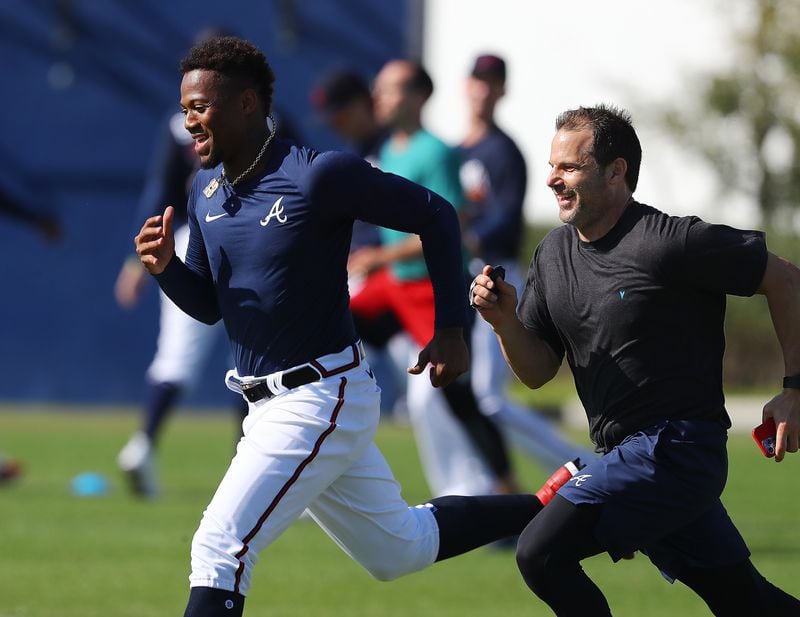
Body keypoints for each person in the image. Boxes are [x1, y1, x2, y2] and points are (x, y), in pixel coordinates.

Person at [133, 36, 582, 617]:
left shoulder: (317, 175)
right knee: (398, 549)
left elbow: (437, 215)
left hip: (320, 396)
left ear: (247, 104)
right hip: (268, 404)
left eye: (200, 107)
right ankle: (565, 498)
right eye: (185, 105)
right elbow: (210, 306)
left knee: (219, 547)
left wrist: (451, 329)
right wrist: (166, 268)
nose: (189, 119)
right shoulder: (205, 191)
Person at [470, 104, 800, 615]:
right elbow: (536, 372)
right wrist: (504, 323)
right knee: (748, 603)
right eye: (552, 167)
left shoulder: (671, 241)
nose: (554, 180)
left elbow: (785, 278)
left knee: (540, 552)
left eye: (570, 168)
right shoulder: (552, 256)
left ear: (616, 170)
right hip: (628, 457)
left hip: (675, 450)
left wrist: (794, 387)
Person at [115, 27, 302, 499]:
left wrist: (138, 260)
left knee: (184, 357)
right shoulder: (260, 118)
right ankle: (254, 467)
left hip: (208, 232)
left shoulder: (252, 121)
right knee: (255, 357)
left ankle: (144, 444)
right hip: (240, 233)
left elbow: (158, 190)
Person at [349, 58, 521, 497]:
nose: (379, 97)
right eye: (379, 88)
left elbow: (451, 228)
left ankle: (508, 495)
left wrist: (380, 255)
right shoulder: (388, 150)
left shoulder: (437, 151)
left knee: (457, 398)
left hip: (430, 289)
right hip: (394, 286)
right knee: (332, 325)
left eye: (391, 88)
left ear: (419, 96)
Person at [459, 53, 594, 471]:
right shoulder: (454, 151)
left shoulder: (504, 152)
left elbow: (504, 220)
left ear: (502, 90)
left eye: (491, 81)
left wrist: (464, 236)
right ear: (466, 85)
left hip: (495, 277)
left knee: (487, 397)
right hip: (457, 277)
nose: (483, 88)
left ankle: (583, 467)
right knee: (438, 394)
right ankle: (473, 488)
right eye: (477, 80)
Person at [310, 69, 407, 417]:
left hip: (404, 274)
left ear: (359, 105)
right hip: (368, 279)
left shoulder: (398, 145)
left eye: (339, 113)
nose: (334, 123)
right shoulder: (351, 154)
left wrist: (377, 257)